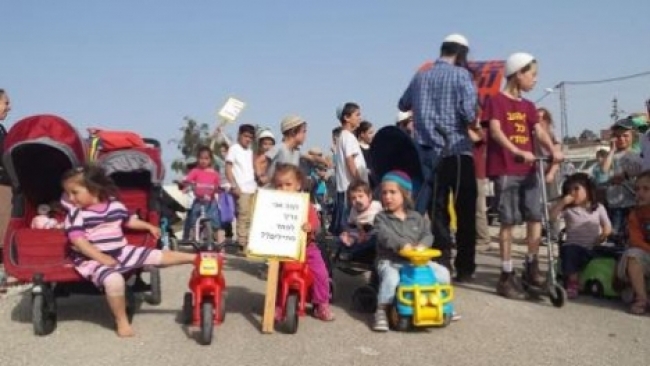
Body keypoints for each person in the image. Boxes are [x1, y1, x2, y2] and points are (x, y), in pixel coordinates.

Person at [62, 164, 196, 337]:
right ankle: (121, 320)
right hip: (91, 258)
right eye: (68, 193)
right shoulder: (76, 214)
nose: (70, 198)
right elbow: (79, 241)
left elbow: (128, 221)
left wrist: (148, 226)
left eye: (75, 192)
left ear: (93, 189)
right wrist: (101, 257)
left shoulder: (115, 206)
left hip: (121, 251)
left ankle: (194, 258)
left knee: (156, 255)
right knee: (114, 281)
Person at [398, 34, 479, 282]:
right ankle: (465, 267)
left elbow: (403, 104)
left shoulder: (421, 76)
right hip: (457, 150)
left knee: (438, 211)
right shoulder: (462, 76)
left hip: (427, 152)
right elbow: (468, 112)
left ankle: (442, 261)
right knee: (465, 211)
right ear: (462, 53)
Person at [484, 52, 562, 299]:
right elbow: (495, 131)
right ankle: (506, 274)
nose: (535, 80)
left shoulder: (528, 106)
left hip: (530, 169)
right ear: (518, 74)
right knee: (508, 221)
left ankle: (531, 265)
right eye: (532, 74)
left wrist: (553, 150)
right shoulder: (496, 101)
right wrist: (517, 150)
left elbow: (538, 131)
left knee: (535, 216)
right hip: (507, 167)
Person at [372, 170, 451, 332]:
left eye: (393, 192)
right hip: (391, 261)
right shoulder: (381, 218)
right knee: (391, 279)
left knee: (442, 273)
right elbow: (384, 236)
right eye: (384, 192)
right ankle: (382, 309)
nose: (387, 196)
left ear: (405, 194)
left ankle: (442, 303)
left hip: (417, 261)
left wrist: (423, 245)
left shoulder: (417, 217)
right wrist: (402, 245)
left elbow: (428, 234)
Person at [272, 164, 335, 321]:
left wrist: (310, 226)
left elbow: (315, 221)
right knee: (277, 276)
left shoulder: (304, 203)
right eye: (279, 185)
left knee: (321, 274)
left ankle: (321, 304)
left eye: (288, 184)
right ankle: (279, 304)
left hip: (307, 247)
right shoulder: (273, 205)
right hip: (283, 249)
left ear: (298, 185)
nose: (283, 189)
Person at [549, 173, 611, 299]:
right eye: (569, 190)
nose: (572, 193)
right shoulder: (569, 209)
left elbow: (607, 227)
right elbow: (552, 217)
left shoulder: (598, 207)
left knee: (612, 253)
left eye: (576, 189)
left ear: (588, 189)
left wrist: (604, 235)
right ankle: (572, 283)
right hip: (575, 246)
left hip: (594, 246)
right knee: (571, 251)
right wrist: (562, 203)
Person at [331, 103, 368, 235]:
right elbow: (350, 160)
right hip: (351, 187)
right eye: (357, 115)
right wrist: (359, 182)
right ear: (347, 117)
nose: (360, 118)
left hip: (345, 187)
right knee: (350, 225)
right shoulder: (348, 137)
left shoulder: (342, 136)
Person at [601, 120, 642, 236]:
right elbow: (603, 171)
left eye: (625, 136)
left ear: (633, 137)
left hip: (633, 203)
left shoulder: (638, 156)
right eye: (618, 136)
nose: (621, 139)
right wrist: (612, 150)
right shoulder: (610, 157)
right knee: (615, 236)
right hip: (614, 205)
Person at [618, 171, 650, 314]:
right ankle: (642, 299)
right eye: (637, 189)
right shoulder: (635, 215)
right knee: (633, 254)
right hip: (645, 256)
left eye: (646, 189)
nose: (640, 193)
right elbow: (636, 241)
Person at [266, 115, 328, 184]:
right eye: (303, 131)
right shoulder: (279, 148)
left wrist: (326, 162)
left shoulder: (296, 152)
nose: (305, 135)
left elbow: (312, 158)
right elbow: (263, 161)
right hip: (272, 191)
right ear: (293, 132)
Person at [179, 146, 223, 244]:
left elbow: (218, 186)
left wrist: (220, 188)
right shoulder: (195, 171)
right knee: (195, 221)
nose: (203, 161)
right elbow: (188, 180)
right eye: (201, 158)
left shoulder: (214, 174)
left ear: (210, 160)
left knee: (217, 224)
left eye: (206, 158)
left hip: (211, 203)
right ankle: (196, 242)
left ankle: (221, 246)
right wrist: (184, 184)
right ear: (198, 159)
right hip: (198, 201)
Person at [225, 124, 257, 253]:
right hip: (241, 189)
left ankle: (250, 243)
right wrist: (234, 186)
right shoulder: (234, 148)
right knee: (243, 216)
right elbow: (227, 168)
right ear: (239, 135)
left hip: (253, 188)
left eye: (250, 137)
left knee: (252, 217)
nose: (248, 139)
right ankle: (242, 245)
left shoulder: (251, 151)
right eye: (245, 136)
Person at [338, 180, 382, 259]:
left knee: (375, 240)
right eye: (353, 198)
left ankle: (353, 254)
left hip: (372, 236)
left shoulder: (376, 206)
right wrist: (348, 233)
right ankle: (352, 251)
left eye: (361, 196)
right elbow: (351, 225)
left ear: (369, 197)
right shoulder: (353, 210)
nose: (357, 200)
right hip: (359, 236)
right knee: (343, 238)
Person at [355, 121, 375, 189]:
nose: (372, 135)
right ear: (362, 134)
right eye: (370, 133)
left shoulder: (373, 148)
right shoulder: (357, 148)